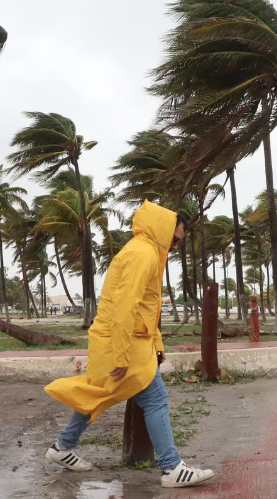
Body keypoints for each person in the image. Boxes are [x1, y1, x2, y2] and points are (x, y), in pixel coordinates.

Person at [44, 201, 214, 489]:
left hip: (126, 340)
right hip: (120, 342)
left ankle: (62, 447)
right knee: (154, 398)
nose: (175, 247)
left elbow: (147, 306)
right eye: (175, 240)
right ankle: (172, 467)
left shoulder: (145, 252)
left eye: (179, 243)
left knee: (99, 394)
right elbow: (124, 307)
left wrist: (157, 342)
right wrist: (122, 355)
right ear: (162, 230)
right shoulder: (143, 255)